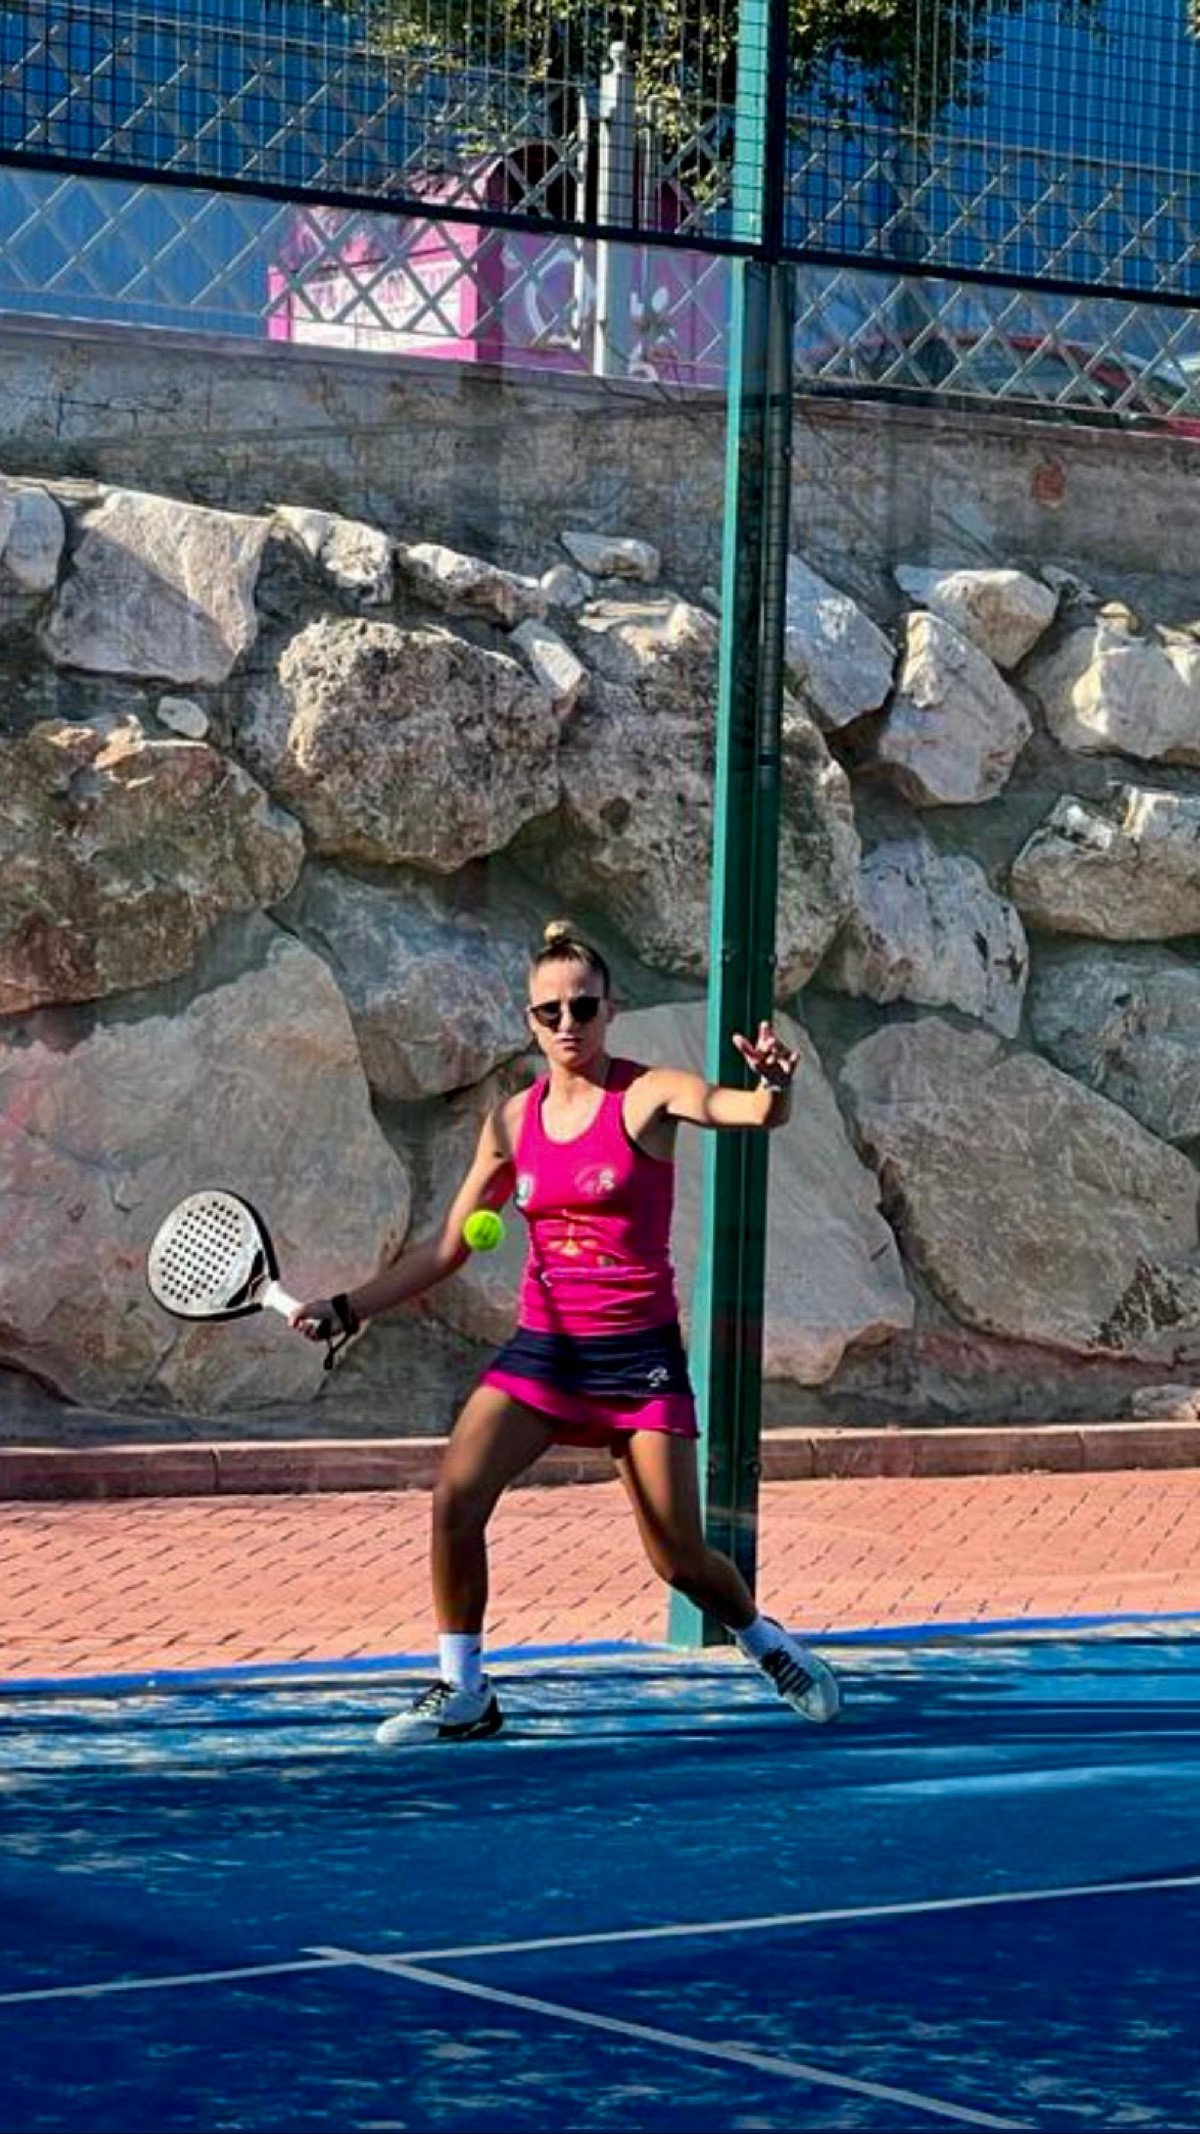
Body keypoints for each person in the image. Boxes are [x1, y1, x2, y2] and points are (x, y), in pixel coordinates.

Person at [292, 920, 840, 1746]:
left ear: (610, 1009)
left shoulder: (648, 1095)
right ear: (531, 1022)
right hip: (544, 1353)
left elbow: (744, 1112)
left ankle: (766, 1644)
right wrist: (348, 1307)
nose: (568, 1024)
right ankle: (464, 1690)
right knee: (455, 1499)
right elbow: (446, 1248)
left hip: (638, 1360)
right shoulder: (512, 1122)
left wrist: (773, 1091)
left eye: (583, 1007)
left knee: (680, 1560)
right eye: (549, 1012)